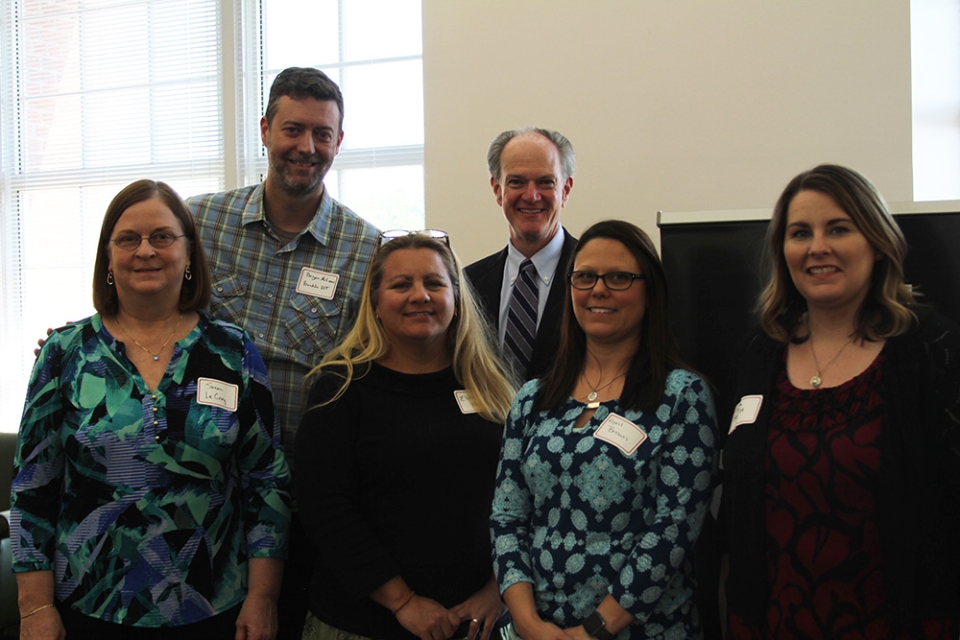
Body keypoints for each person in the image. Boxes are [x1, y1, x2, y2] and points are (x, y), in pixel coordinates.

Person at [11, 179, 290, 640]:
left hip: (215, 604)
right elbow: (32, 491)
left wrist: (264, 598)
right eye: (128, 239)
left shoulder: (231, 351)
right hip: (89, 604)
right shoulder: (65, 354)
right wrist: (34, 608)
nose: (146, 250)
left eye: (162, 236)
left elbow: (266, 482)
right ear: (107, 257)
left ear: (187, 253)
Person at [720, 164, 960, 638]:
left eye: (839, 229)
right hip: (772, 621)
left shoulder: (932, 349)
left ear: (876, 241)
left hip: (901, 620)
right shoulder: (759, 351)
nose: (817, 247)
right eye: (800, 233)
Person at [186, 66, 380, 636]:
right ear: (266, 129)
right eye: (294, 129)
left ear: (339, 142)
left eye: (323, 134)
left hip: (299, 503)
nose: (307, 147)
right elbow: (146, 311)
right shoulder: (200, 222)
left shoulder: (365, 249)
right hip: (197, 490)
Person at [491, 220, 718, 640]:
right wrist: (526, 622)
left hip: (642, 631)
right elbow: (507, 518)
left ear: (649, 291)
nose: (599, 290)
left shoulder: (682, 396)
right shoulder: (533, 398)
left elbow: (673, 530)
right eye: (585, 277)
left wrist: (591, 631)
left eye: (619, 278)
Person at [295, 230, 517, 640]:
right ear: (376, 303)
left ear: (456, 297)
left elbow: (522, 499)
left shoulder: (492, 386)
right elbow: (324, 508)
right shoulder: (340, 387)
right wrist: (402, 601)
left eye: (434, 283)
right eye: (401, 284)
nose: (420, 295)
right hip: (363, 623)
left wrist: (499, 589)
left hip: (478, 623)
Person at [465, 127, 578, 382]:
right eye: (516, 182)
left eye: (545, 182)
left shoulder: (596, 277)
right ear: (497, 189)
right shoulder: (467, 284)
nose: (531, 196)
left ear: (565, 190)